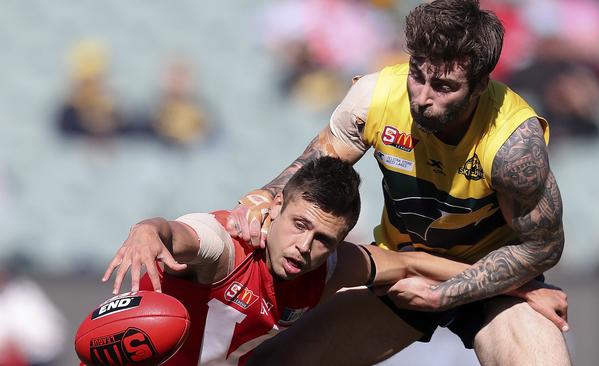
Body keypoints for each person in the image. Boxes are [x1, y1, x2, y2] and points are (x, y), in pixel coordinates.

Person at [229, 1, 572, 365]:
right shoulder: (374, 97)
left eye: (443, 86)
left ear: (479, 86)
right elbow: (309, 173)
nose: (422, 98)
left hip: (493, 282)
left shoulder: (515, 145)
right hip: (400, 267)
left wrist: (446, 294)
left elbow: (542, 248)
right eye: (417, 75)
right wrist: (262, 197)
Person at [102, 157, 564, 366]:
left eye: (324, 237)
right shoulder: (225, 244)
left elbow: (413, 264)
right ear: (274, 208)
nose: (305, 246)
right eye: (299, 224)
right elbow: (180, 234)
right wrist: (147, 230)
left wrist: (522, 288)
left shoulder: (328, 266)